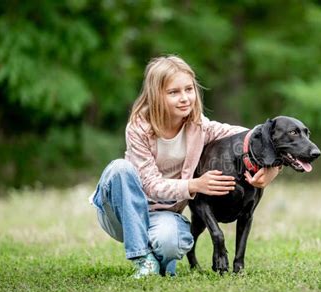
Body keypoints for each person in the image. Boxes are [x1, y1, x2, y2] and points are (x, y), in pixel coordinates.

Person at [89, 55, 280, 278]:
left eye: (189, 89)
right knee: (120, 169)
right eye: (174, 92)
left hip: (162, 214)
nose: (184, 98)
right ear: (156, 95)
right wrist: (195, 184)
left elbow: (251, 136)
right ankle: (142, 257)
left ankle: (157, 262)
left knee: (172, 242)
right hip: (121, 213)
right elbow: (150, 185)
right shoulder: (138, 128)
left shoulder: (199, 127)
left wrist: (273, 167)